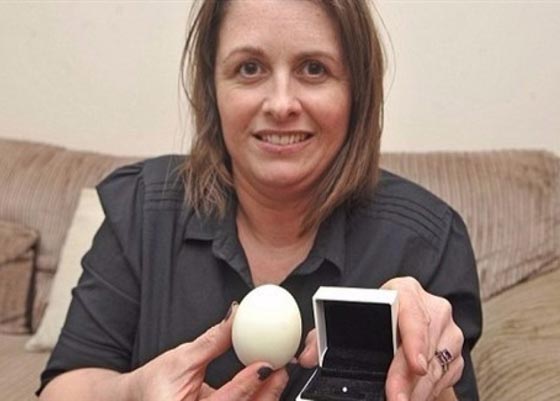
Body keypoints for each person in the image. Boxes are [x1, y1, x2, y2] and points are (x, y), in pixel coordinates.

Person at [38, 0, 482, 400]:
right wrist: (133, 393)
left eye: (314, 69)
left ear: (357, 92)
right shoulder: (142, 208)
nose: (281, 104)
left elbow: (441, 383)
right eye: (249, 68)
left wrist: (424, 369)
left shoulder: (426, 240)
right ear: (212, 87)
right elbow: (66, 385)